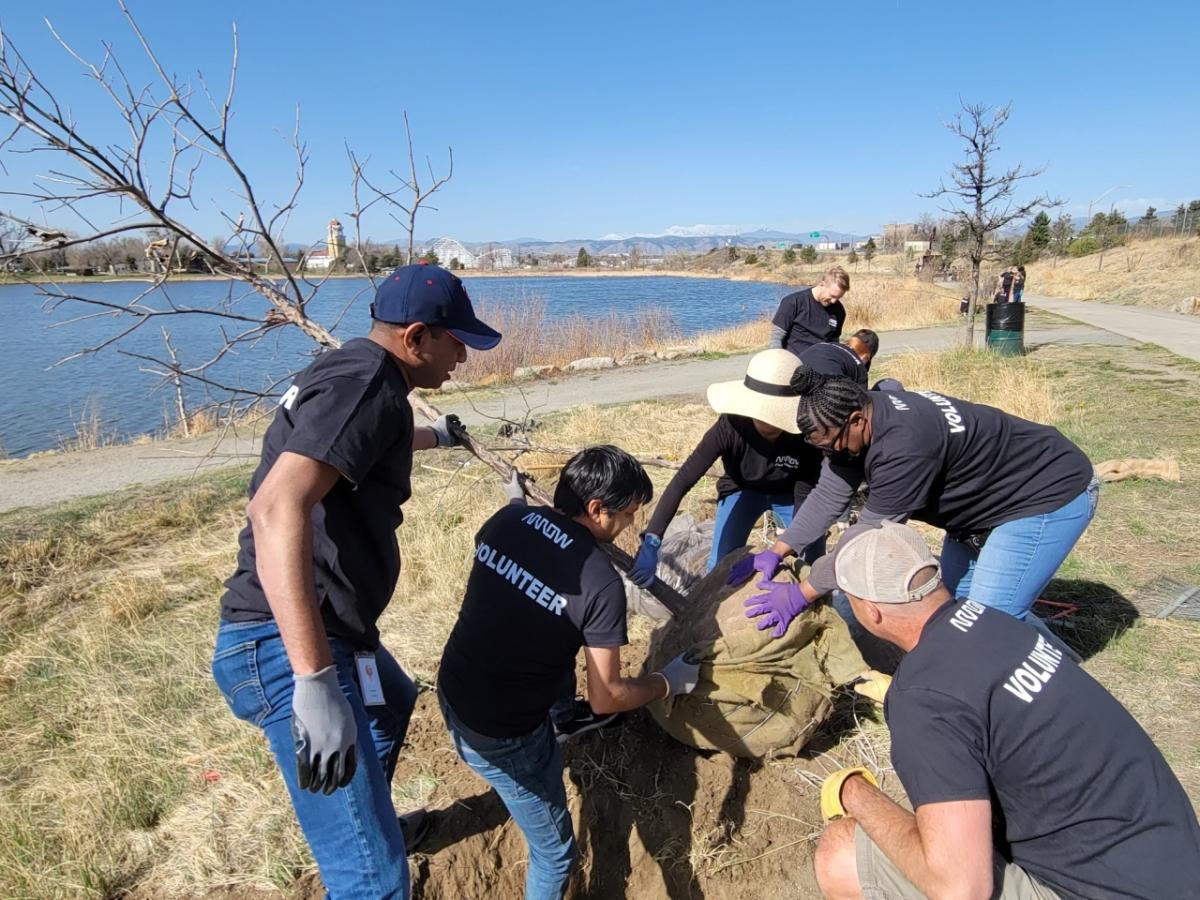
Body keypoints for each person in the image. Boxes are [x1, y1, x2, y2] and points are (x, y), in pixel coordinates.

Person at [212, 263, 501, 899]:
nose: (462, 358)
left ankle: (366, 811)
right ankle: (362, 837)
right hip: (286, 646)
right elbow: (275, 507)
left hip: (335, 628)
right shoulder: (368, 382)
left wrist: (438, 437)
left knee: (391, 701)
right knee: (372, 877)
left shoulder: (361, 374)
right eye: (457, 344)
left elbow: (358, 444)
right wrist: (315, 683)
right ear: (418, 337)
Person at [813, 521, 1200, 900]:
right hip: (1173, 864)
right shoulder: (998, 624)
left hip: (1098, 889)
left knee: (842, 853)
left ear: (870, 611)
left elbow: (961, 890)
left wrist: (855, 792)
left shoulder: (922, 697)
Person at [437, 446, 699, 900]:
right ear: (597, 509)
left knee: (549, 629)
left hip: (455, 686)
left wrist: (516, 501)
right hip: (504, 735)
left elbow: (524, 561)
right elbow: (607, 697)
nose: (632, 525)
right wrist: (666, 682)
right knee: (556, 854)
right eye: (629, 514)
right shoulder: (600, 583)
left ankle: (560, 720)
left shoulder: (505, 521)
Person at [737, 370, 1098, 641]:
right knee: (949, 611)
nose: (831, 454)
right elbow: (830, 493)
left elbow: (866, 542)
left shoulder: (904, 447)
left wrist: (803, 592)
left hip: (1044, 494)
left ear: (857, 420)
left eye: (832, 445)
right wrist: (781, 549)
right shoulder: (854, 419)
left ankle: (1036, 692)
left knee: (989, 622)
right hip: (980, 511)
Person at [629, 349, 825, 587]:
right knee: (720, 564)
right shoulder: (729, 426)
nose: (768, 421)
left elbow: (806, 492)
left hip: (790, 494)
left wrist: (791, 545)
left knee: (811, 555)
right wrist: (652, 539)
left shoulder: (806, 434)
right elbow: (683, 480)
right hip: (741, 490)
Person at [770, 266, 850, 355]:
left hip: (823, 361)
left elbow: (834, 340)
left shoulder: (839, 310)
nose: (834, 301)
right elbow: (776, 338)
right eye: (832, 296)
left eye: (838, 297)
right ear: (822, 284)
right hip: (794, 361)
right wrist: (778, 360)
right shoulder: (793, 302)